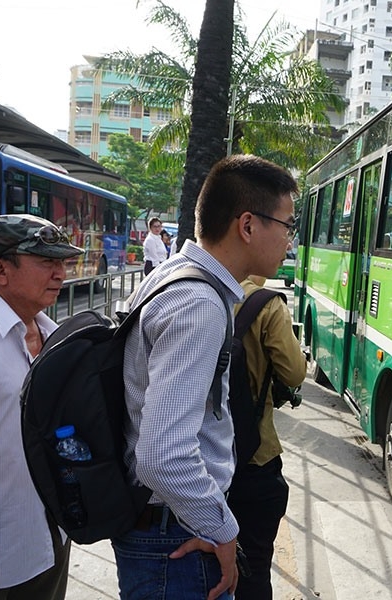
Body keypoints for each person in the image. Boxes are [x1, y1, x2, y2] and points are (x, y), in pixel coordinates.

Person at [113, 155, 299, 600]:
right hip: (177, 540)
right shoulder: (198, 304)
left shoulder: (172, 277)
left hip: (167, 529)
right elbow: (161, 455)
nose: (291, 239)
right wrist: (223, 529)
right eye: (287, 224)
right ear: (248, 225)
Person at [0, 214, 84, 599]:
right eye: (46, 262)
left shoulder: (53, 334)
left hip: (51, 534)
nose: (60, 273)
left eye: (62, 262)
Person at [227, 274, 305, 599]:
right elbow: (294, 372)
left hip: (197, 466)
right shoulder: (266, 304)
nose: (287, 241)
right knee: (253, 568)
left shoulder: (189, 287)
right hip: (254, 457)